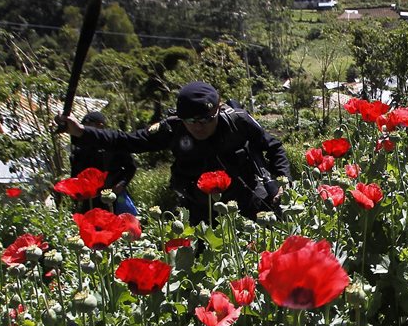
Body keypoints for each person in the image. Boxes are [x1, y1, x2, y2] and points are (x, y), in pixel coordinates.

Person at [58, 82, 290, 225]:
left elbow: (273, 146)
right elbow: (126, 141)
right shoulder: (172, 129)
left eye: (206, 120)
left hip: (247, 198)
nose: (199, 127)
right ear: (181, 118)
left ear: (218, 110)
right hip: (200, 208)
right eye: (191, 121)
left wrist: (282, 181)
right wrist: (81, 132)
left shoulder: (238, 121)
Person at [70, 110, 138, 215]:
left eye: (89, 125)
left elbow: (131, 167)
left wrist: (121, 185)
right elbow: (75, 175)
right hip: (90, 201)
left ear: (100, 126)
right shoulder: (80, 149)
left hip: (113, 195)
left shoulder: (113, 143)